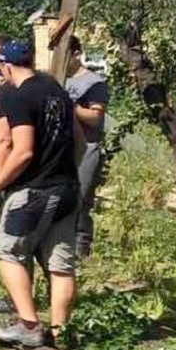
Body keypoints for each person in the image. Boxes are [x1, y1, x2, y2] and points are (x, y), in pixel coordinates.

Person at [0, 40, 79, 348]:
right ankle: (60, 334)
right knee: (60, 265)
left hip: (35, 191)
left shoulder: (19, 96)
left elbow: (22, 152)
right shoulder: (56, 90)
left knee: (6, 251)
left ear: (5, 66)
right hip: (68, 189)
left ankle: (29, 325)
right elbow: (80, 140)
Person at [64, 36, 109, 260]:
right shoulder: (57, 79)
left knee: (81, 196)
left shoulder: (93, 83)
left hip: (87, 146)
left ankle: (81, 245)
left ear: (75, 53)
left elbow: (94, 117)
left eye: (64, 54)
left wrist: (69, 107)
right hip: (62, 148)